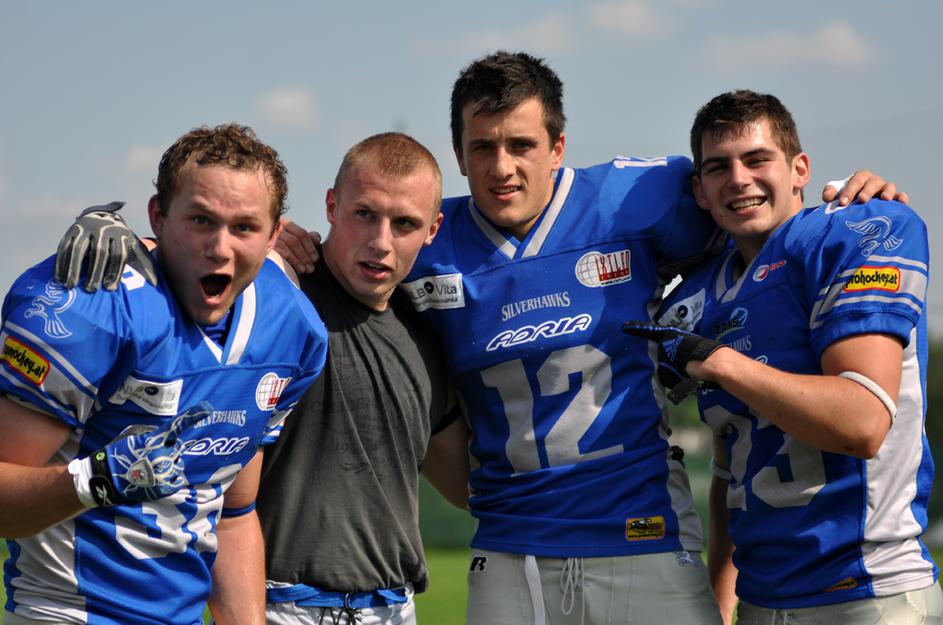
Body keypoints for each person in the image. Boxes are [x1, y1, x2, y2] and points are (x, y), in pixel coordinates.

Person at [273, 52, 904, 625]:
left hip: (645, 532)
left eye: (521, 144)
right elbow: (347, 259)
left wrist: (851, 203)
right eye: (482, 146)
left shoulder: (640, 198)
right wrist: (284, 245)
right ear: (459, 156)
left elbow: (752, 208)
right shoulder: (426, 239)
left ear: (558, 147)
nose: (502, 167)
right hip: (511, 546)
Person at [52, 132, 470, 625]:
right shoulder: (274, 292)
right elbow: (200, 253)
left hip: (394, 610)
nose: (380, 241)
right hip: (275, 604)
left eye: (404, 224)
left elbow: (467, 484)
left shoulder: (427, 335)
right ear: (331, 206)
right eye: (364, 214)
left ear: (432, 229)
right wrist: (129, 242)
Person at [624, 90, 940, 624]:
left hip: (868, 593)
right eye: (718, 167)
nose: (739, 179)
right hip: (762, 599)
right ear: (700, 191)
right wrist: (722, 598)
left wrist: (723, 363)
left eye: (757, 159)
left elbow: (862, 423)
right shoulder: (698, 297)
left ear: (800, 170)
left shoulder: (857, 231)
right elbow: (730, 463)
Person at [0, 124, 328, 625]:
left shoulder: (290, 327)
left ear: (273, 236)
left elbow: (234, 515)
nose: (220, 248)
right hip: (68, 611)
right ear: (158, 215)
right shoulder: (94, 305)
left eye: (244, 227)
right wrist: (93, 480)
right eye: (200, 220)